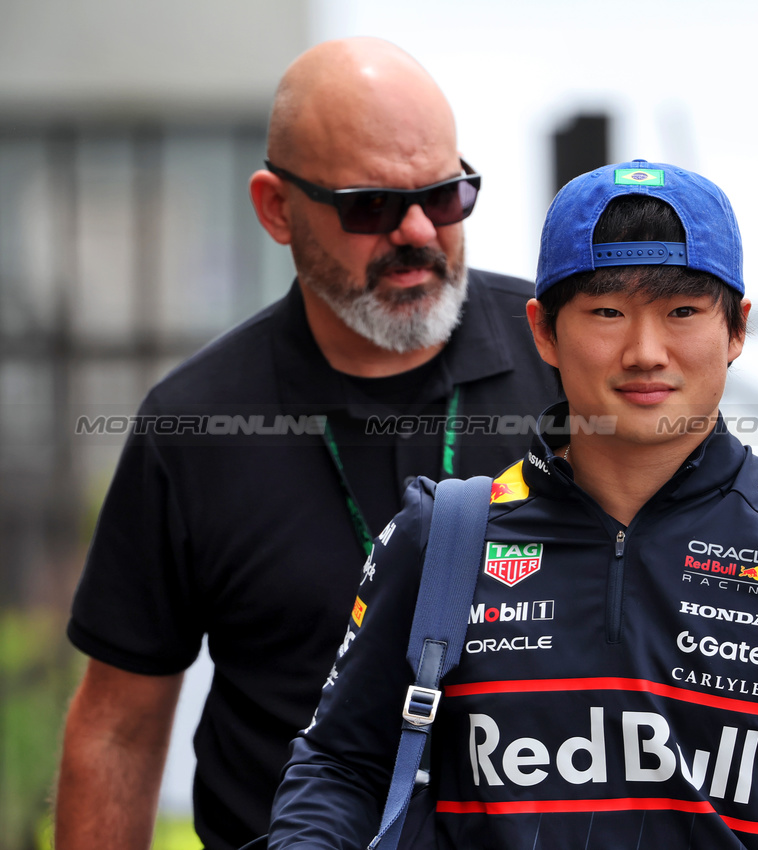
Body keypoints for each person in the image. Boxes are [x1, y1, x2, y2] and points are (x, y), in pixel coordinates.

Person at [268, 160, 758, 849]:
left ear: (737, 329)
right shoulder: (441, 538)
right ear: (543, 331)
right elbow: (338, 768)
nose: (644, 351)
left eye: (682, 311)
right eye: (606, 312)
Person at [56, 38, 559, 850]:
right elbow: (118, 725)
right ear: (275, 208)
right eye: (370, 205)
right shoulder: (192, 425)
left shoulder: (568, 358)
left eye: (446, 194)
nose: (418, 230)